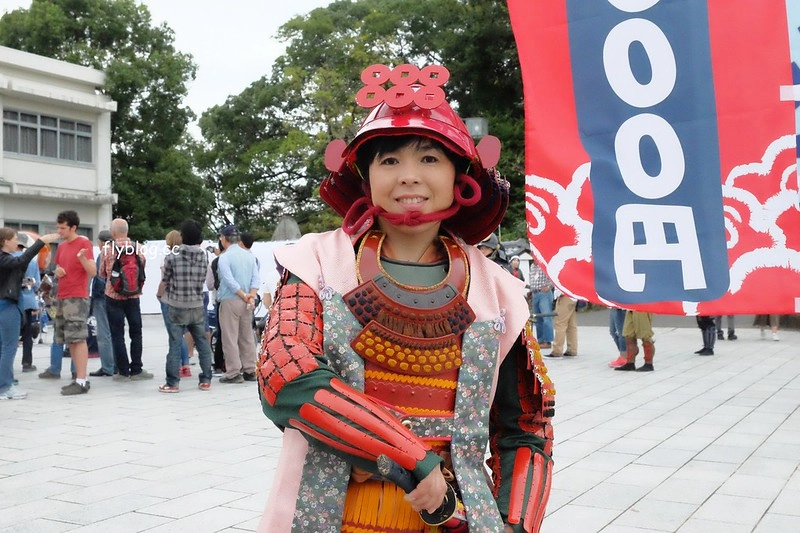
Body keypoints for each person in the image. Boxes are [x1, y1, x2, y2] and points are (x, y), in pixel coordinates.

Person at [256, 64, 554, 533]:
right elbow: (285, 375)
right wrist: (415, 460)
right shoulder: (314, 263)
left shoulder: (498, 291)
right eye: (389, 160)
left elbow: (525, 429)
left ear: (461, 174)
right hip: (331, 515)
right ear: (365, 176)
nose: (409, 177)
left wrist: (513, 524)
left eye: (430, 159)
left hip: (458, 519)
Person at [0, 228, 59, 400]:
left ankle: (5, 383)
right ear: (5, 241)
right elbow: (22, 260)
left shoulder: (6, 259)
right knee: (9, 347)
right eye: (14, 239)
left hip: (7, 304)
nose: (17, 242)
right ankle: (4, 387)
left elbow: (20, 266)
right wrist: (41, 242)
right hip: (7, 306)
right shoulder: (5, 259)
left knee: (4, 346)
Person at [158, 220, 214, 392]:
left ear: (182, 236)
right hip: (196, 304)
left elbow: (165, 281)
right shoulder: (204, 256)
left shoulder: (172, 256)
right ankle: (205, 380)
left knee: (174, 344)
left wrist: (159, 295)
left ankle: (172, 383)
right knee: (202, 343)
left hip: (176, 304)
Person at [101, 218, 153, 381]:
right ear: (127, 231)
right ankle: (137, 370)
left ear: (113, 233)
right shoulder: (139, 248)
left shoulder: (107, 250)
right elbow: (141, 270)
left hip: (113, 296)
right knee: (136, 333)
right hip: (133, 296)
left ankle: (123, 372)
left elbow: (102, 274)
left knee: (117, 334)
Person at [51, 210, 97, 395]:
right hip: (63, 295)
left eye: (63, 228)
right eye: (58, 227)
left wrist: (82, 258)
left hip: (77, 297)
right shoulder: (61, 247)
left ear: (73, 227)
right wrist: (58, 270)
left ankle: (81, 379)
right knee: (70, 339)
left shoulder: (84, 243)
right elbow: (58, 266)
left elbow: (93, 271)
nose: (59, 231)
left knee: (78, 338)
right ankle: (79, 378)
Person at [216, 225, 260, 383]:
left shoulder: (224, 257)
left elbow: (228, 280)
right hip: (248, 301)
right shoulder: (250, 256)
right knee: (247, 336)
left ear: (223, 239)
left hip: (231, 299)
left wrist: (242, 294)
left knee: (230, 337)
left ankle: (234, 372)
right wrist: (251, 296)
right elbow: (256, 278)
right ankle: (250, 369)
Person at [157, 230, 191, 378]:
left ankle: (178, 366)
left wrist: (159, 294)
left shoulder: (168, 258)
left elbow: (165, 280)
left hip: (170, 299)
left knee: (174, 335)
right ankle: (185, 366)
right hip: (184, 299)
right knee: (181, 333)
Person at [88, 230, 116, 377]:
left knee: (103, 333)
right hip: (117, 297)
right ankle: (118, 364)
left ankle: (107, 367)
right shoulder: (118, 252)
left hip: (102, 298)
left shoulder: (102, 255)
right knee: (115, 332)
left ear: (101, 242)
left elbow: (99, 278)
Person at [14, 232, 42, 373]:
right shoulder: (32, 261)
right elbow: (37, 284)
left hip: (11, 301)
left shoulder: (6, 258)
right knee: (27, 334)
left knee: (9, 335)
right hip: (28, 301)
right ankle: (27, 363)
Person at [529, 258, 555, 350]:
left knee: (546, 317)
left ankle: (548, 341)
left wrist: (549, 286)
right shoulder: (532, 266)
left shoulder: (545, 264)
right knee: (537, 318)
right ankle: (540, 340)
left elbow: (554, 276)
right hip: (535, 293)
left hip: (544, 293)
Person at [548, 289, 578, 358]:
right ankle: (572, 349)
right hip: (573, 296)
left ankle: (557, 350)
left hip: (564, 296)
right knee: (571, 326)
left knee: (560, 323)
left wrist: (558, 293)